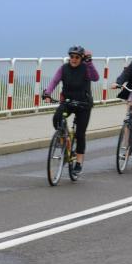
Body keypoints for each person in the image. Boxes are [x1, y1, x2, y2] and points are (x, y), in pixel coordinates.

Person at [43, 46, 99, 175]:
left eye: (77, 57)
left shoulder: (86, 68)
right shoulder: (64, 68)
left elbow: (95, 77)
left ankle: (78, 163)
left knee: (80, 134)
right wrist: (47, 93)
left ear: (81, 58)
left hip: (83, 104)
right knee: (57, 119)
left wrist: (89, 63)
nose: (73, 59)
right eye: (71, 56)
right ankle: (66, 143)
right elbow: (54, 81)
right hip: (68, 101)